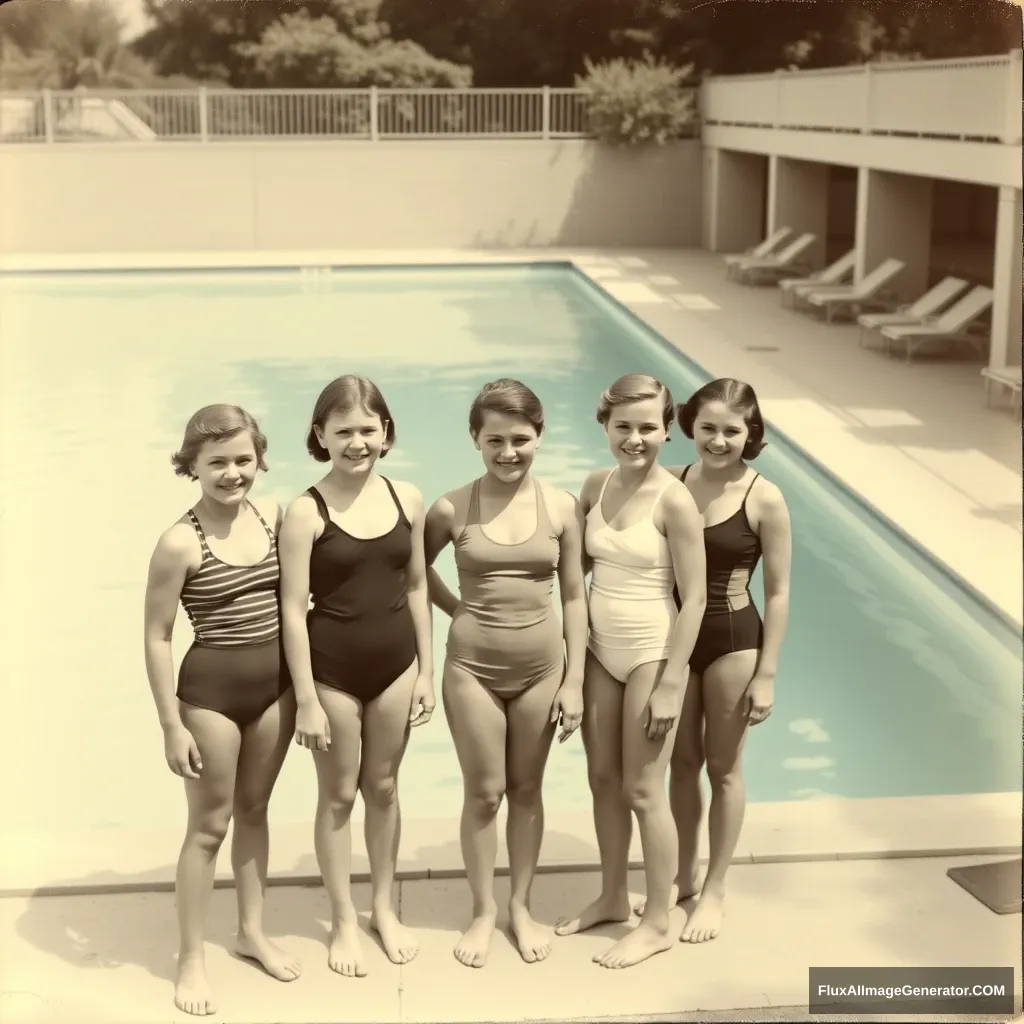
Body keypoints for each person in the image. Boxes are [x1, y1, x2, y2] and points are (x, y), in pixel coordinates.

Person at [424, 379, 588, 969]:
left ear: (539, 437)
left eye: (521, 439)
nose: (508, 451)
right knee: (485, 792)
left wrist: (574, 680)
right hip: (471, 668)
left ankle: (520, 905)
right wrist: (457, 612)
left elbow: (575, 594)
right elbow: (413, 579)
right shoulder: (449, 508)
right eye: (495, 439)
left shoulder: (563, 506)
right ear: (475, 438)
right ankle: (483, 909)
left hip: (544, 668)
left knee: (526, 789)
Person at [143, 405, 301, 1017]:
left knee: (256, 810)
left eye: (243, 460)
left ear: (259, 457)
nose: (233, 473)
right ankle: (191, 959)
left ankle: (251, 932)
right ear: (192, 465)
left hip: (277, 690)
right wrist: (170, 722)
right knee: (210, 827)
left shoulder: (275, 516)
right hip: (211, 696)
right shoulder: (180, 541)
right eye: (217, 463)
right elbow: (157, 636)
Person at [277, 375, 435, 977]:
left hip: (396, 667)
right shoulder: (304, 511)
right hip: (334, 674)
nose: (357, 441)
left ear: (386, 433)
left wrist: (426, 669)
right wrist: (309, 699)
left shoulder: (408, 499)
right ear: (320, 435)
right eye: (343, 430)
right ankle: (343, 918)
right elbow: (293, 609)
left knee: (386, 788)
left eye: (369, 429)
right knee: (340, 795)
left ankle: (382, 909)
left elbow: (417, 586)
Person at [555, 373, 707, 970]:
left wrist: (672, 681)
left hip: (651, 651)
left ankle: (659, 920)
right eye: (624, 426)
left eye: (648, 427)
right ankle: (614, 895)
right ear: (605, 426)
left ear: (667, 430)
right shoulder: (596, 485)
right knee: (602, 781)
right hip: (598, 650)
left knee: (644, 790)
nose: (635, 438)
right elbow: (574, 569)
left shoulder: (676, 500)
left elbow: (692, 598)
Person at [634, 378, 792, 942]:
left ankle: (716, 889)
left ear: (750, 434)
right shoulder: (669, 483)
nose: (718, 440)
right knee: (680, 764)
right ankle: (681, 873)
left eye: (731, 430)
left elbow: (777, 591)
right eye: (708, 428)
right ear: (690, 428)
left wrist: (767, 674)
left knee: (723, 769)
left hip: (731, 639)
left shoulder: (763, 497)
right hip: (674, 638)